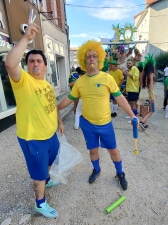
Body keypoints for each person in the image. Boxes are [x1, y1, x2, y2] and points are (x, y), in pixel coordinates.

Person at [58, 40, 139, 190]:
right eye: (88, 57)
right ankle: (96, 169)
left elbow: (120, 98)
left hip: (105, 124)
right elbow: (70, 99)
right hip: (87, 123)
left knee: (113, 150)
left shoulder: (107, 78)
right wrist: (56, 107)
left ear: (99, 58)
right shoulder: (80, 81)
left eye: (94, 56)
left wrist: (132, 115)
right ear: (84, 60)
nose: (91, 59)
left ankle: (120, 173)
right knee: (93, 150)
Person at [5, 20, 64, 218]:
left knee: (49, 161)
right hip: (33, 138)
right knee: (38, 172)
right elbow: (10, 63)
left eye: (39, 61)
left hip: (50, 135)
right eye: (31, 61)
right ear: (27, 66)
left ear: (45, 66)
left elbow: (51, 106)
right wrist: (26, 38)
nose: (35, 64)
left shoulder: (47, 85)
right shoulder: (23, 81)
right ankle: (40, 203)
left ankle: (46, 180)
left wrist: (60, 123)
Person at [137, 53, 155, 129]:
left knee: (145, 109)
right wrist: (152, 96)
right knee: (151, 110)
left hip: (142, 93)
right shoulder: (151, 74)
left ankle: (145, 124)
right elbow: (150, 86)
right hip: (147, 94)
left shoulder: (142, 74)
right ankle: (142, 122)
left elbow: (139, 84)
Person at [124, 58, 139, 123]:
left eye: (129, 63)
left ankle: (134, 118)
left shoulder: (135, 69)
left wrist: (128, 74)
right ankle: (131, 115)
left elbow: (135, 78)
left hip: (133, 89)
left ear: (133, 63)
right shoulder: (129, 70)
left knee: (133, 103)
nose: (128, 64)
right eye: (127, 63)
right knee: (131, 103)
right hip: (130, 89)